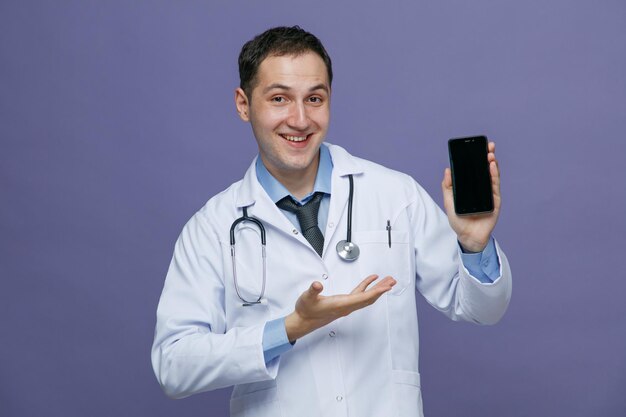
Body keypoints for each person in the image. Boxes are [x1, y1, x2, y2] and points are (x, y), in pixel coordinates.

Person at [151, 26, 512, 417]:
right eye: (279, 99)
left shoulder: (395, 195)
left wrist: (474, 246)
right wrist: (290, 327)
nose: (300, 119)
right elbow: (174, 366)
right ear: (243, 104)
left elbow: (481, 309)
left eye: (315, 98)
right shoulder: (212, 227)